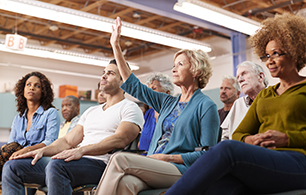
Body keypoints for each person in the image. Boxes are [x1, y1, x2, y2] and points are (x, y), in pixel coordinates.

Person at [164, 12, 306, 195]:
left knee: (227, 149)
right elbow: (239, 133)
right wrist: (251, 139)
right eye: (266, 55)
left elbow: (231, 145)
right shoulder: (266, 95)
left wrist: (288, 138)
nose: (269, 61)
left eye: (276, 54)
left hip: (299, 161)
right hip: (266, 161)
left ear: (295, 53)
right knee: (218, 187)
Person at [94, 16, 219, 195]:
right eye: (173, 65)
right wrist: (116, 46)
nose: (174, 69)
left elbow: (208, 156)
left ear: (196, 70)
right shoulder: (167, 102)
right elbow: (133, 84)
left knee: (119, 158)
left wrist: (168, 157)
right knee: (126, 184)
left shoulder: (206, 106)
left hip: (182, 170)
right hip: (156, 164)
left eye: (180, 64)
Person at [2, 60, 144, 195]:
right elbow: (68, 141)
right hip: (74, 162)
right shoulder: (91, 111)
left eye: (111, 73)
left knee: (57, 165)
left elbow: (120, 139)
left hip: (103, 165)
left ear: (123, 81)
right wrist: (41, 151)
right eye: (103, 72)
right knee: (12, 167)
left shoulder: (130, 108)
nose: (103, 75)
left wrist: (81, 151)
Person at [0, 71, 60, 181]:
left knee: (9, 165)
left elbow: (51, 142)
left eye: (37, 86)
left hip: (40, 158)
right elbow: (11, 144)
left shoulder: (50, 113)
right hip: (18, 158)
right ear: (23, 90)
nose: (31, 88)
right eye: (28, 84)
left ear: (43, 92)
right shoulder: (18, 118)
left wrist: (27, 150)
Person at [221, 61, 268, 140]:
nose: (240, 80)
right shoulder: (238, 104)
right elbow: (224, 135)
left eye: (244, 73)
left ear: (260, 76)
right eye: (238, 77)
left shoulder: (275, 98)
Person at [138, 73, 174, 154]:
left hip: (158, 160)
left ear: (167, 93)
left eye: (154, 88)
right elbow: (142, 141)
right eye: (148, 89)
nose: (149, 92)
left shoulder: (172, 114)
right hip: (142, 157)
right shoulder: (149, 113)